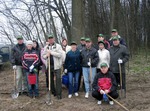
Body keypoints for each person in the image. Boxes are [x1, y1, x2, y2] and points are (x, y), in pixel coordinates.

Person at [42, 34, 65, 99]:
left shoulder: (58, 46)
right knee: (50, 80)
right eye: (49, 39)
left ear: (54, 39)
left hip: (57, 66)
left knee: (58, 80)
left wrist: (51, 52)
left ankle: (59, 94)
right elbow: (43, 56)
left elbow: (60, 55)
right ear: (48, 40)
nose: (50, 40)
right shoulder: (46, 47)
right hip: (49, 66)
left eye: (51, 39)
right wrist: (46, 55)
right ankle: (53, 92)